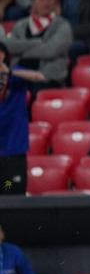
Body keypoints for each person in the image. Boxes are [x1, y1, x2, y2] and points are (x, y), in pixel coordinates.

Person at [0, 42, 46, 196]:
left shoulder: (16, 76)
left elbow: (38, 77)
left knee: (10, 190)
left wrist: (9, 73)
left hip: (13, 152)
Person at [4, 0, 72, 89]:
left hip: (46, 78)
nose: (45, 3)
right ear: (34, 2)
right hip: (18, 75)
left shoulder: (63, 26)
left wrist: (21, 52)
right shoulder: (20, 25)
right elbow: (9, 47)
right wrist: (37, 42)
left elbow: (50, 51)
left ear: (56, 2)